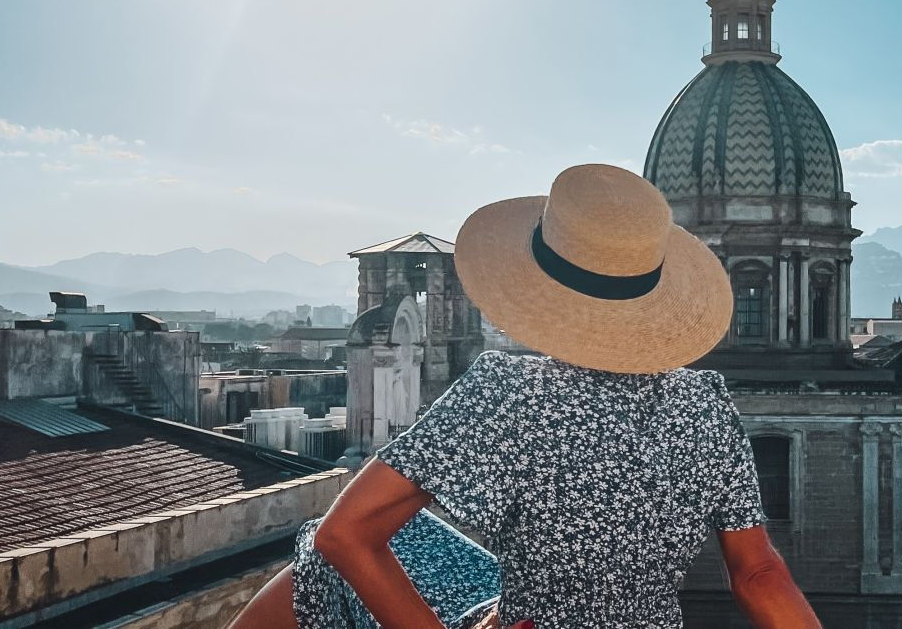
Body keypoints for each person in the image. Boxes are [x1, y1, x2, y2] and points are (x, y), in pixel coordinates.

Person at [230, 164, 822, 628]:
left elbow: (346, 533)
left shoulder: (508, 392)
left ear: (539, 287)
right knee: (412, 537)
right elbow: (760, 575)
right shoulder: (705, 403)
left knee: (321, 560)